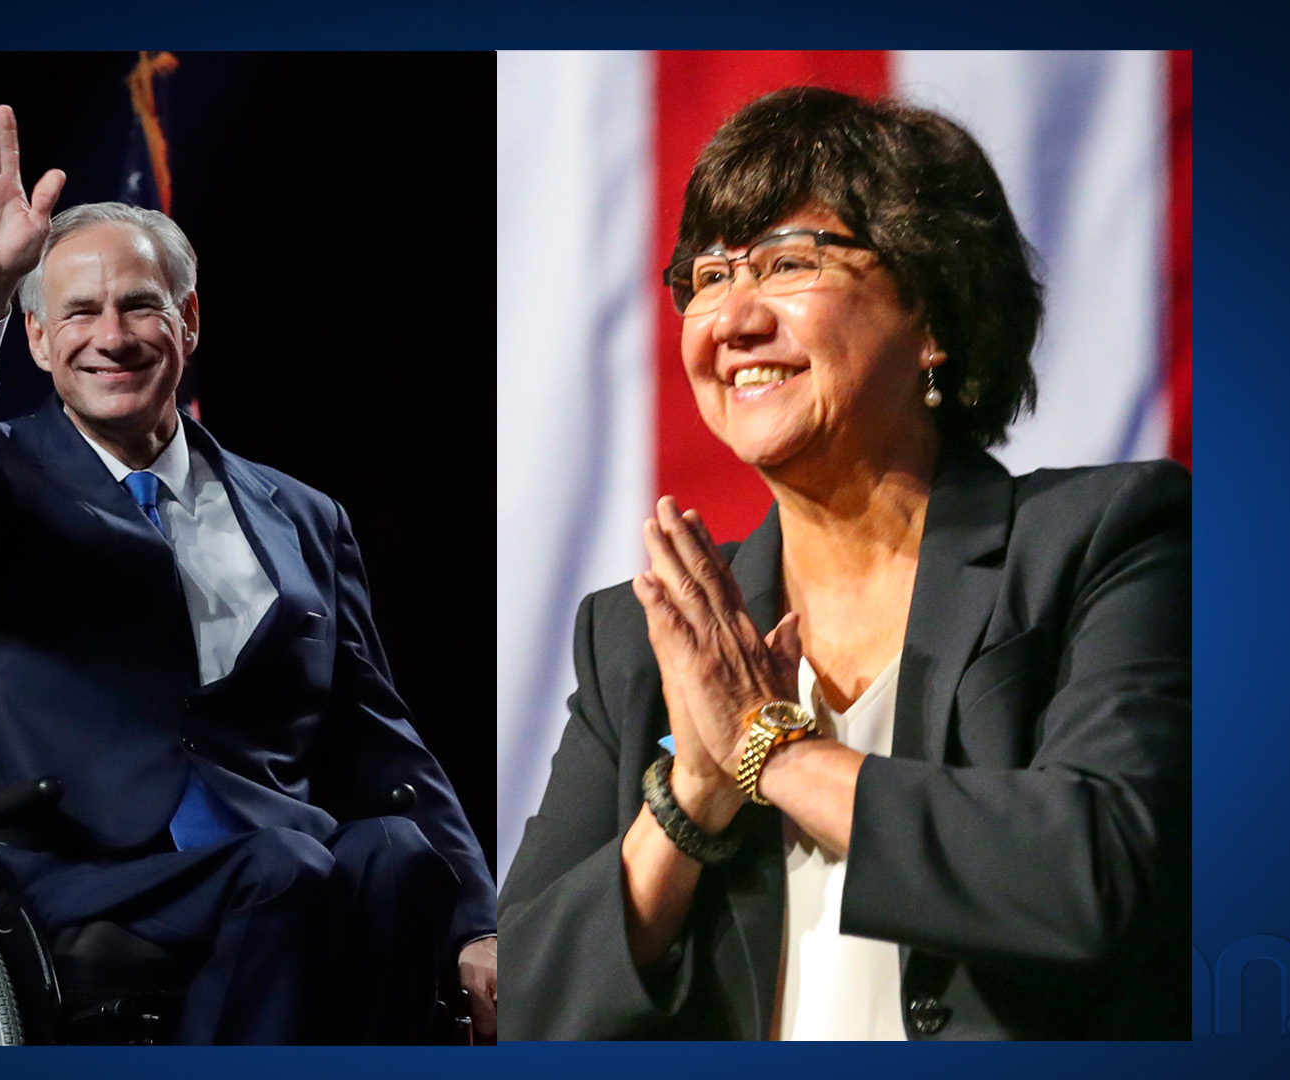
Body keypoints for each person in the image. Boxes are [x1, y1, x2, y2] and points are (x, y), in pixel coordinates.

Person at [498, 87, 1189, 1040]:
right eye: (706, 277)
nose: (729, 320)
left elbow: (1095, 874)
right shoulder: (639, 641)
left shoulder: (1101, 543)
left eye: (787, 264)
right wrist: (689, 799)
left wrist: (768, 747)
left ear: (932, 312)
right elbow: (524, 1001)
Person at [0, 97, 497, 1044]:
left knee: (399, 858)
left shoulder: (304, 516)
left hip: (277, 844)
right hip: (83, 861)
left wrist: (478, 922)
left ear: (190, 320)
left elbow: (381, 741)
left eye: (139, 305)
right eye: (78, 312)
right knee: (291, 870)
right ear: (39, 341)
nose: (112, 335)